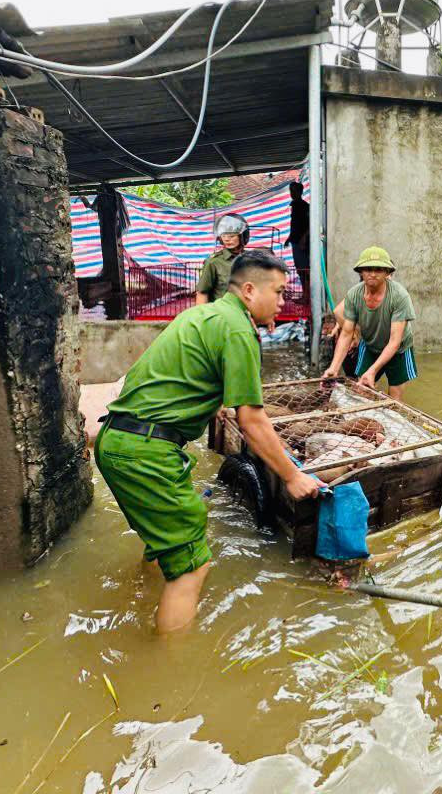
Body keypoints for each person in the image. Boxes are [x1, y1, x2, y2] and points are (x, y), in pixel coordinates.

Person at [95, 249, 320, 634]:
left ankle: (145, 598)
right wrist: (291, 476)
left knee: (165, 545)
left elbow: (180, 377)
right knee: (194, 567)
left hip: (116, 441)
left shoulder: (203, 314)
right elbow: (251, 419)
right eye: (280, 292)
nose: (284, 302)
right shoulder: (236, 328)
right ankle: (171, 673)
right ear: (249, 290)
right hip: (147, 453)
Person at [322, 246, 417, 401]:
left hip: (399, 349)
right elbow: (346, 333)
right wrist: (334, 367)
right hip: (371, 344)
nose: (373, 274)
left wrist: (373, 371)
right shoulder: (354, 294)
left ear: (387, 273)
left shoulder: (400, 296)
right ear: (361, 272)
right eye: (368, 269)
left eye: (379, 270)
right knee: (362, 390)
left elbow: (394, 342)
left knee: (395, 399)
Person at [195, 213, 249, 303]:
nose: (227, 239)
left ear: (242, 236)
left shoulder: (251, 259)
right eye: (224, 236)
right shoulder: (213, 262)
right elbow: (202, 293)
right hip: (223, 314)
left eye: (232, 236)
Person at [283, 181, 311, 304]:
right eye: (291, 191)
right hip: (295, 241)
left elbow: (310, 224)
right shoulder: (294, 205)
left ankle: (306, 297)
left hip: (302, 243)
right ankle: (305, 296)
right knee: (300, 270)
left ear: (300, 192)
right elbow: (295, 226)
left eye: (294, 191)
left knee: (304, 270)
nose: (292, 193)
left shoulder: (304, 206)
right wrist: (289, 238)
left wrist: (304, 239)